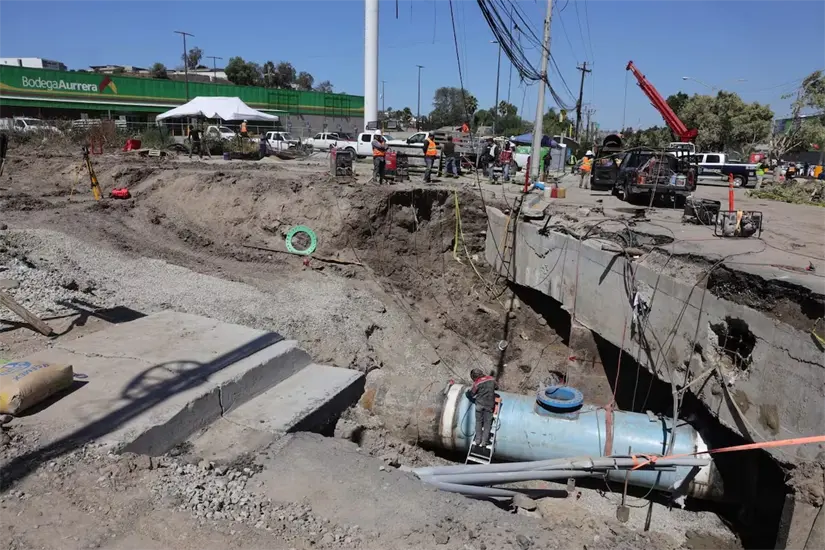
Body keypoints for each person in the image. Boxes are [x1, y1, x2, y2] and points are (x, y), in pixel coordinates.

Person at [469, 368, 497, 447]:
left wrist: (467, 394)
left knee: (478, 422)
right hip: (489, 405)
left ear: (475, 377)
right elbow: (497, 387)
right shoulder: (492, 379)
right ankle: (484, 441)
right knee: (487, 423)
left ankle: (477, 440)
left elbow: (472, 394)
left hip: (479, 405)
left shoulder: (477, 383)